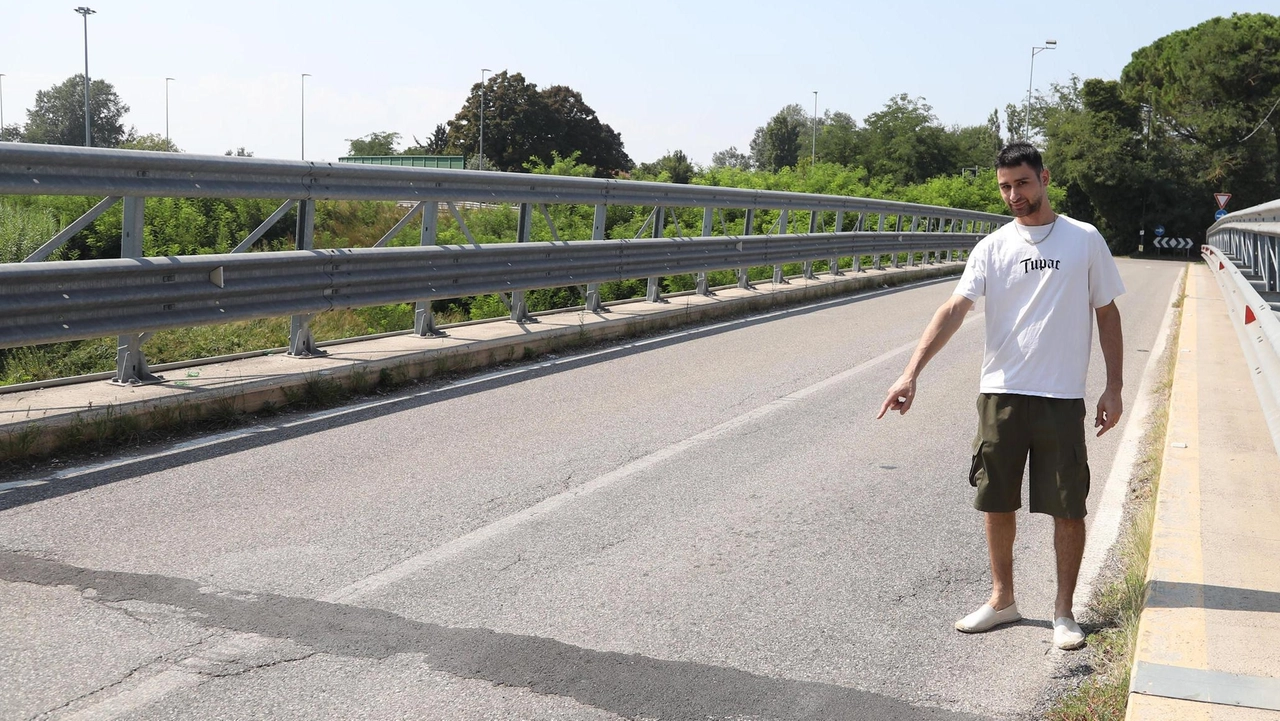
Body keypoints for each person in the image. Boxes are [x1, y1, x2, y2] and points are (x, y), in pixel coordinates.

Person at [877, 142, 1125, 651]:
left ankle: (1063, 611)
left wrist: (1114, 385)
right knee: (997, 500)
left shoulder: (1084, 240)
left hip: (1059, 396)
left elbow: (1107, 313)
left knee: (1067, 505)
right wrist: (910, 373)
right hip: (1001, 393)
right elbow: (954, 309)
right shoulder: (992, 247)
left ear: (1045, 177)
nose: (1014, 195)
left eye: (1023, 183)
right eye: (1005, 187)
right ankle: (1003, 600)